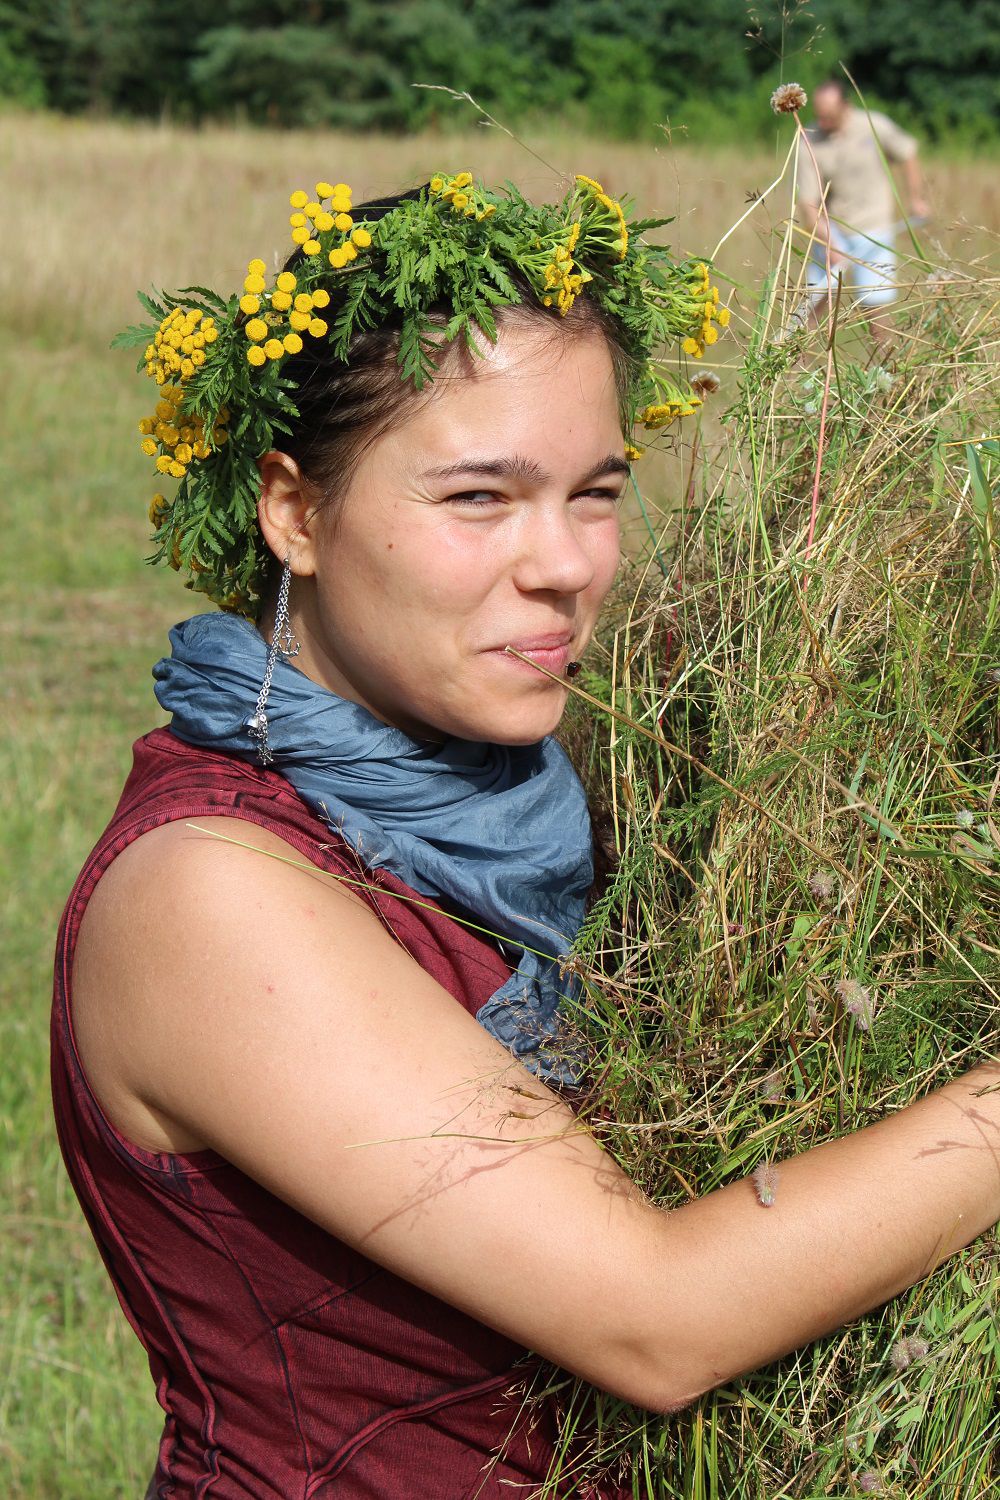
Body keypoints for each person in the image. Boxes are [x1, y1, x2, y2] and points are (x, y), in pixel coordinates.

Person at [52, 170, 999, 1499]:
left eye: (596, 491)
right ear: (295, 512)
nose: (565, 564)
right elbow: (659, 1317)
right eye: (480, 500)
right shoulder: (215, 894)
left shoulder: (529, 796)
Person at [797, 79, 928, 341]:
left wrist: (917, 199)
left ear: (845, 106)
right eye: (819, 116)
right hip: (834, 232)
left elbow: (908, 151)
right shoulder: (809, 139)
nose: (823, 123)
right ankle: (791, 375)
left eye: (829, 117)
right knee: (812, 308)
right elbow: (808, 201)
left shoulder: (873, 124)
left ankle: (890, 375)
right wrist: (829, 241)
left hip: (875, 229)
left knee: (877, 311)